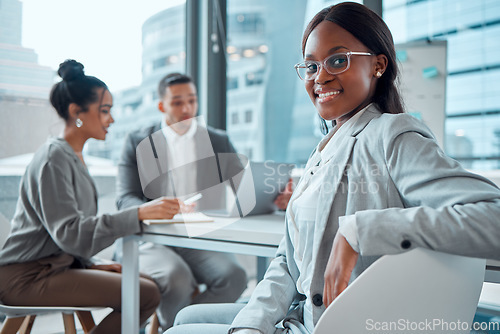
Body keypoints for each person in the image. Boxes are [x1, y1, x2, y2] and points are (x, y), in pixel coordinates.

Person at [164, 2, 500, 334]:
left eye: (338, 61)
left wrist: (360, 230)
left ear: (378, 65)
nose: (320, 76)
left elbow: (493, 218)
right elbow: (286, 261)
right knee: (186, 318)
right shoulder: (322, 150)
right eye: (311, 67)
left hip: (345, 323)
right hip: (304, 316)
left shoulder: (392, 135)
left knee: (181, 329)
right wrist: (253, 326)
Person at [0, 60, 185, 333]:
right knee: (144, 294)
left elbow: (64, 234)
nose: (112, 119)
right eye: (105, 111)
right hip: (26, 277)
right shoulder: (54, 159)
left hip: (55, 267)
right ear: (77, 111)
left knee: (147, 285)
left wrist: (93, 263)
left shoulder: (72, 157)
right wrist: (140, 213)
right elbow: (69, 232)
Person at [115, 73, 248, 331]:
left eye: (192, 100)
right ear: (162, 106)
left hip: (196, 236)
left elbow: (244, 185)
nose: (187, 108)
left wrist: (275, 193)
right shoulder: (138, 141)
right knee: (177, 279)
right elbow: (124, 198)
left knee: (234, 277)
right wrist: (153, 209)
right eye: (177, 102)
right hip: (149, 238)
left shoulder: (217, 140)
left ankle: (180, 327)